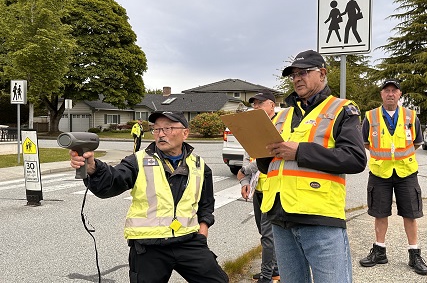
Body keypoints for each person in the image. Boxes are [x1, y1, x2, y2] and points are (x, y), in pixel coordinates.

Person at [69, 111, 229, 283]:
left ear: (185, 133)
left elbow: (206, 203)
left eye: (168, 128)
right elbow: (111, 183)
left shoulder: (199, 164)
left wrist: (203, 227)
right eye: (156, 129)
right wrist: (93, 168)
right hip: (149, 247)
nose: (160, 134)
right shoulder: (137, 161)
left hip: (188, 242)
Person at [256, 50, 366, 283]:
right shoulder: (281, 115)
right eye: (293, 74)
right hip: (280, 216)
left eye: (304, 72)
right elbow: (268, 167)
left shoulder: (341, 109)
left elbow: (355, 158)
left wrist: (300, 152)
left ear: (322, 73)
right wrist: (259, 150)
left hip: (319, 218)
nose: (297, 78)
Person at [359, 79, 427, 276]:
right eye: (386, 91)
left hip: (406, 172)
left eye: (394, 91)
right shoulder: (370, 117)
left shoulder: (410, 116)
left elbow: (417, 142)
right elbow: (365, 142)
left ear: (400, 95)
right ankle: (379, 251)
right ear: (381, 94)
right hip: (380, 172)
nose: (390, 94)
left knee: (411, 213)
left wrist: (400, 156)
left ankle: (414, 254)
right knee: (380, 213)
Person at [237, 91, 279, 283]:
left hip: (275, 189)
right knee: (264, 233)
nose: (256, 108)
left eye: (260, 104)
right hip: (258, 189)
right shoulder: (254, 129)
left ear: (272, 105)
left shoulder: (281, 126)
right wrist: (245, 182)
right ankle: (276, 268)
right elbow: (248, 158)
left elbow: (268, 157)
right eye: (254, 104)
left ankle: (267, 275)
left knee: (269, 236)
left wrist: (245, 170)